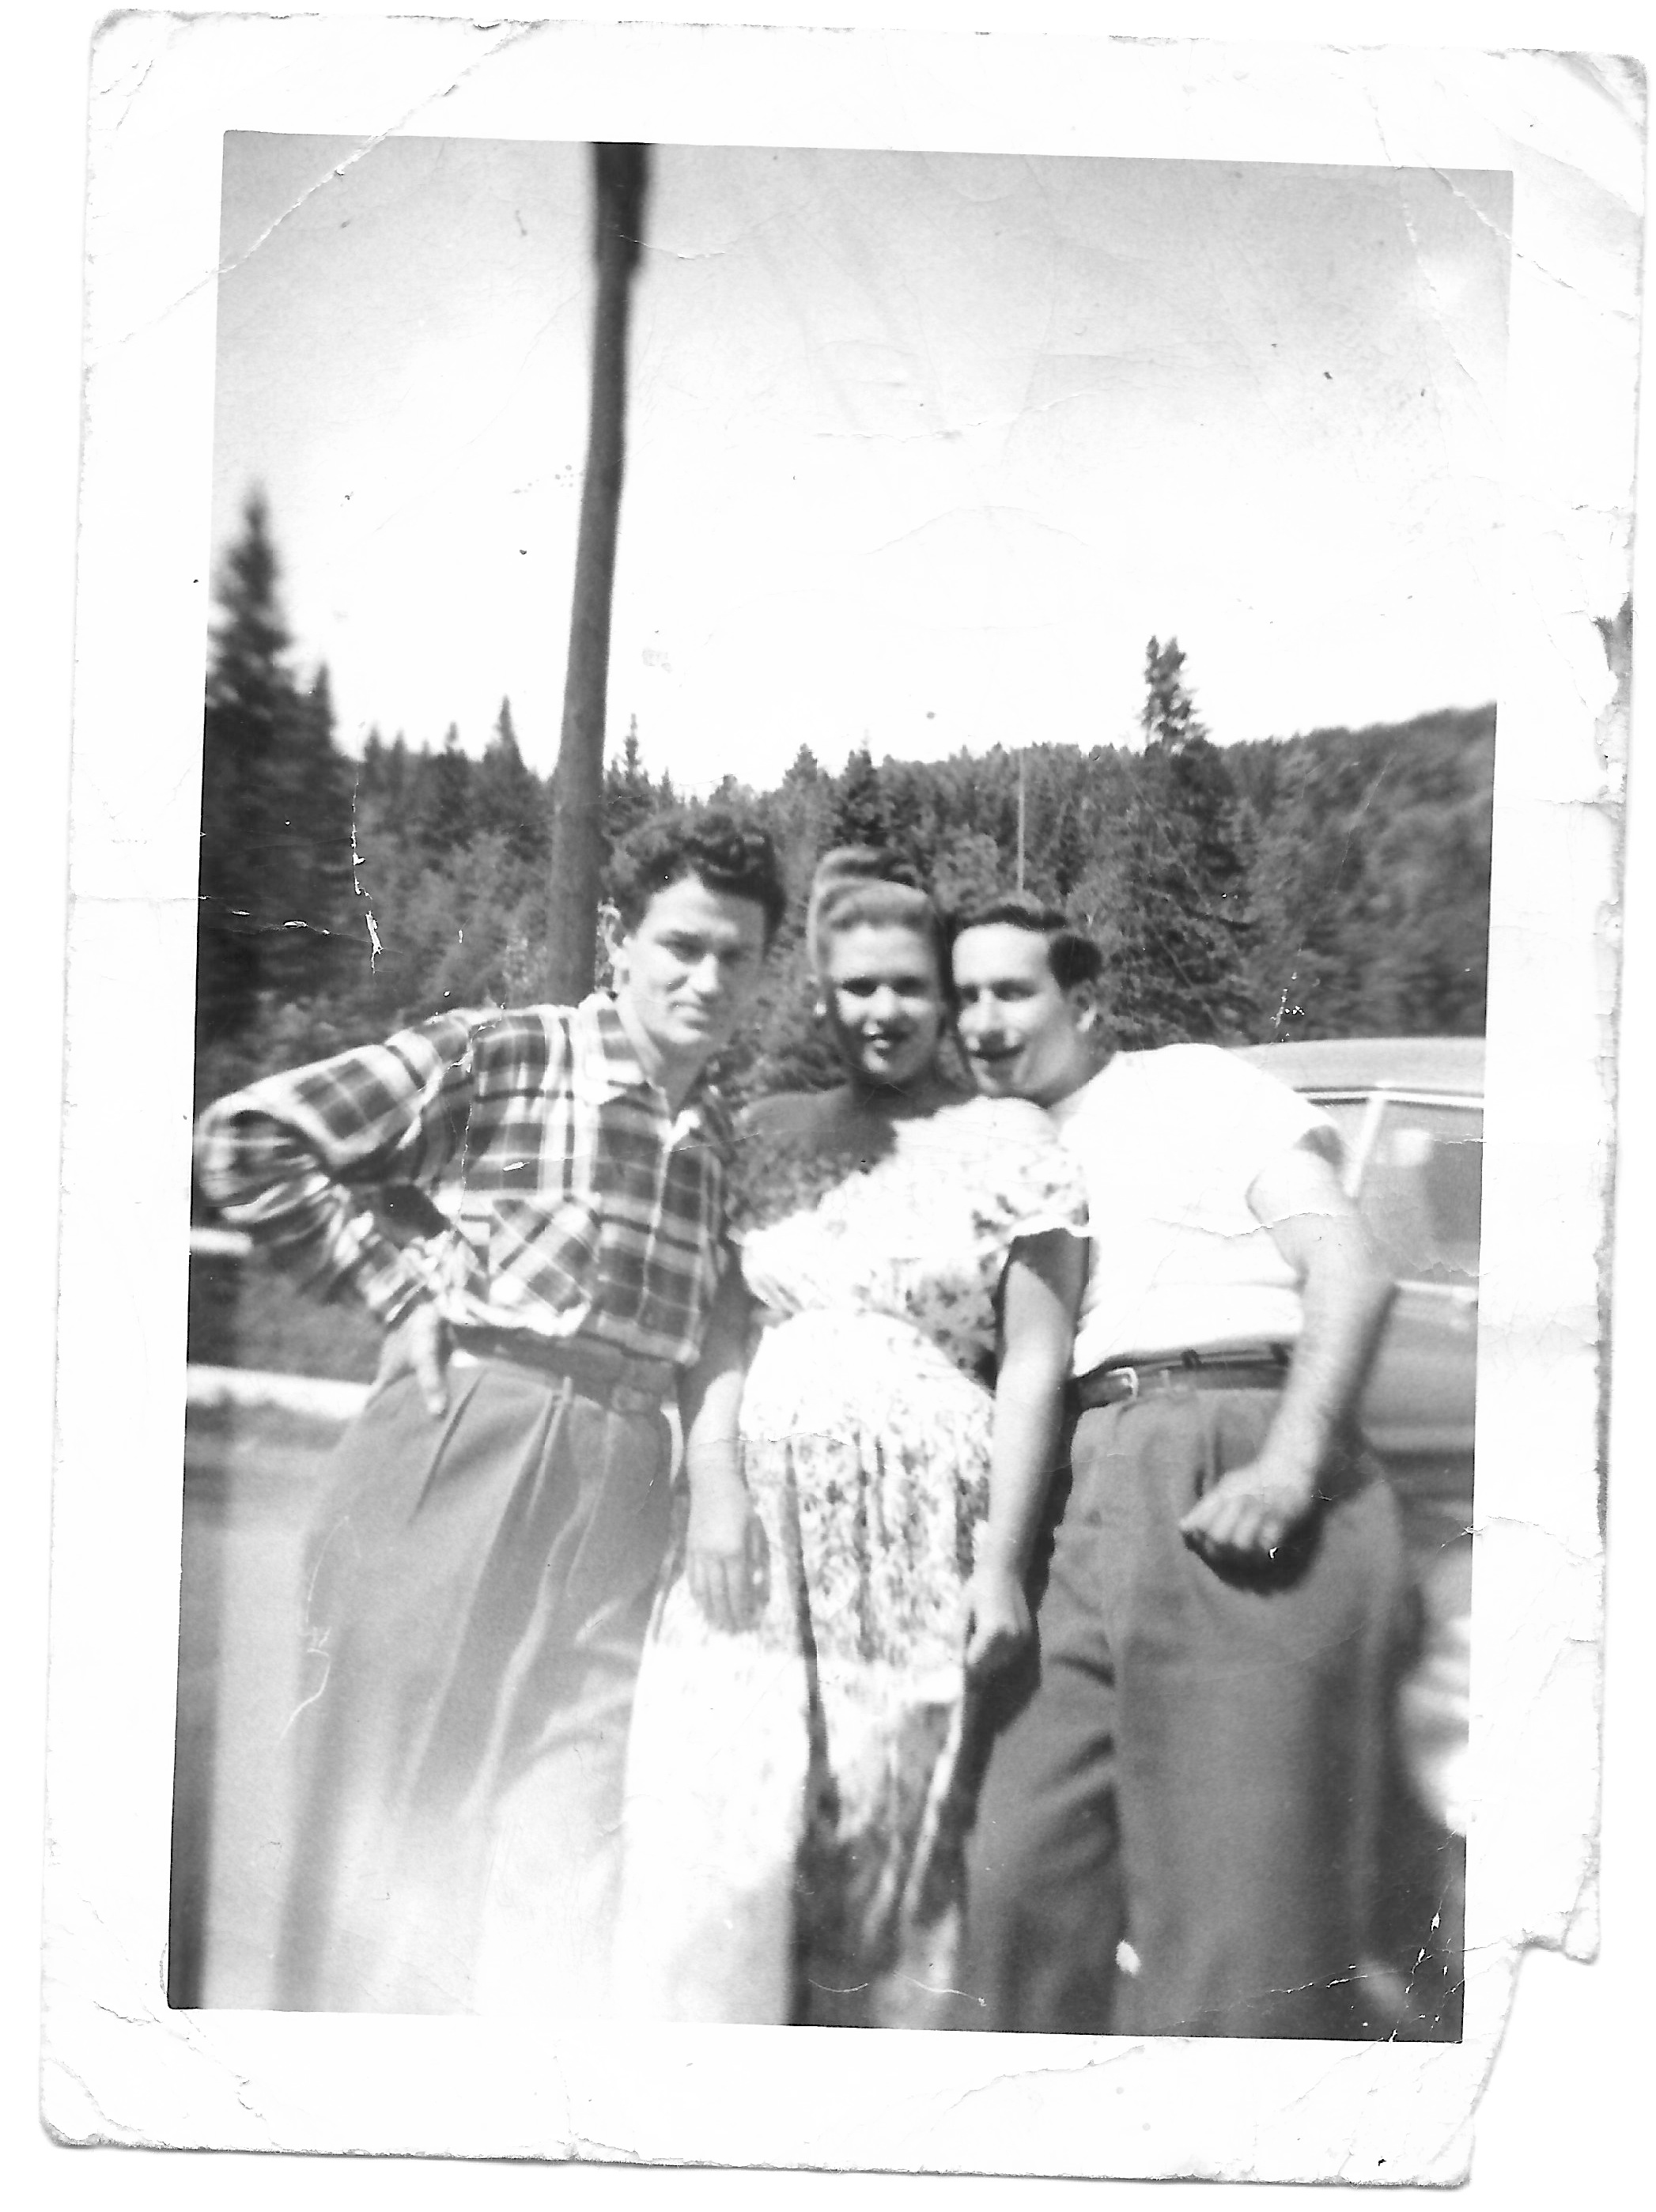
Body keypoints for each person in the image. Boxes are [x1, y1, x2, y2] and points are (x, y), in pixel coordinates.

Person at [192, 808, 787, 2015]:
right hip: (468, 1435)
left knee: (564, 1844)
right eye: (681, 945)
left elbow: (713, 1328)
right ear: (618, 939)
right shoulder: (503, 1052)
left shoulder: (717, 1133)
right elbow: (249, 1137)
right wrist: (392, 1286)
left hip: (626, 1475)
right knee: (385, 1800)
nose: (707, 977)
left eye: (736, 955)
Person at [611, 851, 1087, 2027]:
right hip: (760, 1532)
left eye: (909, 987)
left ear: (944, 996)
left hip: (925, 1531)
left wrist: (999, 1567)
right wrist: (714, 1484)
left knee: (892, 1826)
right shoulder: (765, 1131)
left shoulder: (1008, 1138)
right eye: (856, 986)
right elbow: (720, 1327)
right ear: (820, 993)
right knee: (715, 1826)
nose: (882, 1011)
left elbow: (1033, 1361)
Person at [949, 895, 1407, 2040]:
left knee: (1236, 1930)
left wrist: (1287, 1467)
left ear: (1084, 1000)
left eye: (1012, 991)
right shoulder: (992, 1149)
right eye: (964, 997)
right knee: (1016, 1874)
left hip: (1225, 1439)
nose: (981, 1021)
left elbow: (1347, 1265)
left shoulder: (1191, 1086)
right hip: (1074, 1487)